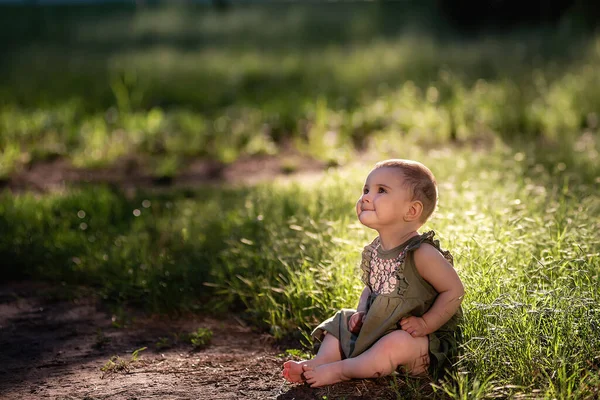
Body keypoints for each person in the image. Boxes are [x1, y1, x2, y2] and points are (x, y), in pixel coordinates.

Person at [282, 159, 464, 387]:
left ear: (412, 210)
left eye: (381, 191)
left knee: (396, 343)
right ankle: (320, 362)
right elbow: (372, 288)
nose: (366, 197)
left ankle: (343, 370)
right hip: (378, 328)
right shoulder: (376, 250)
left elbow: (454, 290)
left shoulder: (421, 253)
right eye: (366, 190)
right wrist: (360, 312)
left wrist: (426, 324)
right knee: (342, 319)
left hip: (418, 343)